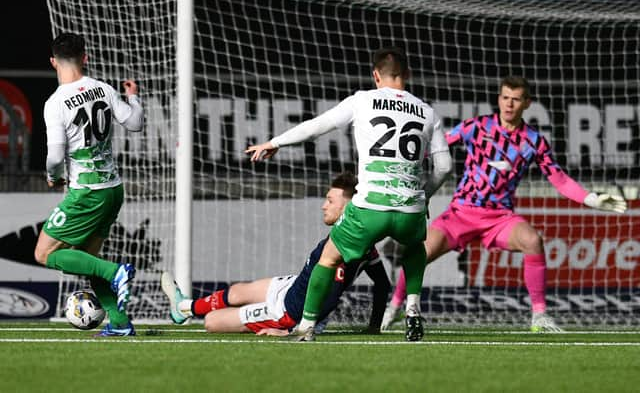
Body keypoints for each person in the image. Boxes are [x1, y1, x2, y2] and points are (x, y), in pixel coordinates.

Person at [381, 76, 628, 332]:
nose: (509, 104)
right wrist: (401, 162)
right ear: (499, 99)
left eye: (516, 99)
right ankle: (396, 308)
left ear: (527, 103)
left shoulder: (533, 141)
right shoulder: (475, 127)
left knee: (533, 241)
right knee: (418, 253)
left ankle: (539, 317)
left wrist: (591, 198)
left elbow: (560, 180)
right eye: (505, 98)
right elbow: (435, 147)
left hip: (499, 218)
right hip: (461, 213)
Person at [245, 47, 452, 341]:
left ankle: (305, 327)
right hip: (410, 210)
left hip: (370, 208)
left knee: (328, 259)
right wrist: (423, 197)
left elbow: (317, 127)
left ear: (376, 75)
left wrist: (275, 143)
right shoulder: (428, 112)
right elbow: (444, 167)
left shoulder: (363, 100)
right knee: (414, 246)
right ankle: (413, 308)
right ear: (407, 75)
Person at [161, 172, 391, 335]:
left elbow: (332, 295)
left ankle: (185, 308)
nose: (324, 205)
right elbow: (382, 283)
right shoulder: (360, 242)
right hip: (293, 287)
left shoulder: (346, 244)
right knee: (240, 290)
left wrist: (296, 328)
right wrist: (374, 325)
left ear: (348, 207)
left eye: (330, 201)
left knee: (212, 322)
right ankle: (184, 307)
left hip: (288, 313)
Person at [35, 33, 144, 336]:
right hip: (113, 189)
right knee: (88, 260)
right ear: (85, 58)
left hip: (86, 193)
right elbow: (135, 123)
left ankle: (117, 271)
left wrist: (54, 177)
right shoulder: (103, 89)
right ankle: (120, 324)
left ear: (53, 61)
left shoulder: (56, 102)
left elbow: (55, 155)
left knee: (43, 254)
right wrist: (134, 98)